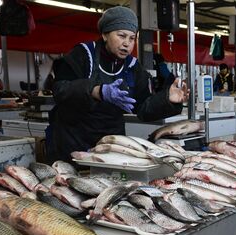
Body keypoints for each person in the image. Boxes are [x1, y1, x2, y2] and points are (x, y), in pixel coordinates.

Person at [46, 6, 188, 163]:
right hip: (72, 140)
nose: (126, 43)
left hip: (111, 144)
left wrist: (167, 99)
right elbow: (60, 90)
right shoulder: (83, 54)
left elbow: (143, 109)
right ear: (105, 34)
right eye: (121, 36)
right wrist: (96, 91)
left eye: (132, 38)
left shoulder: (133, 67)